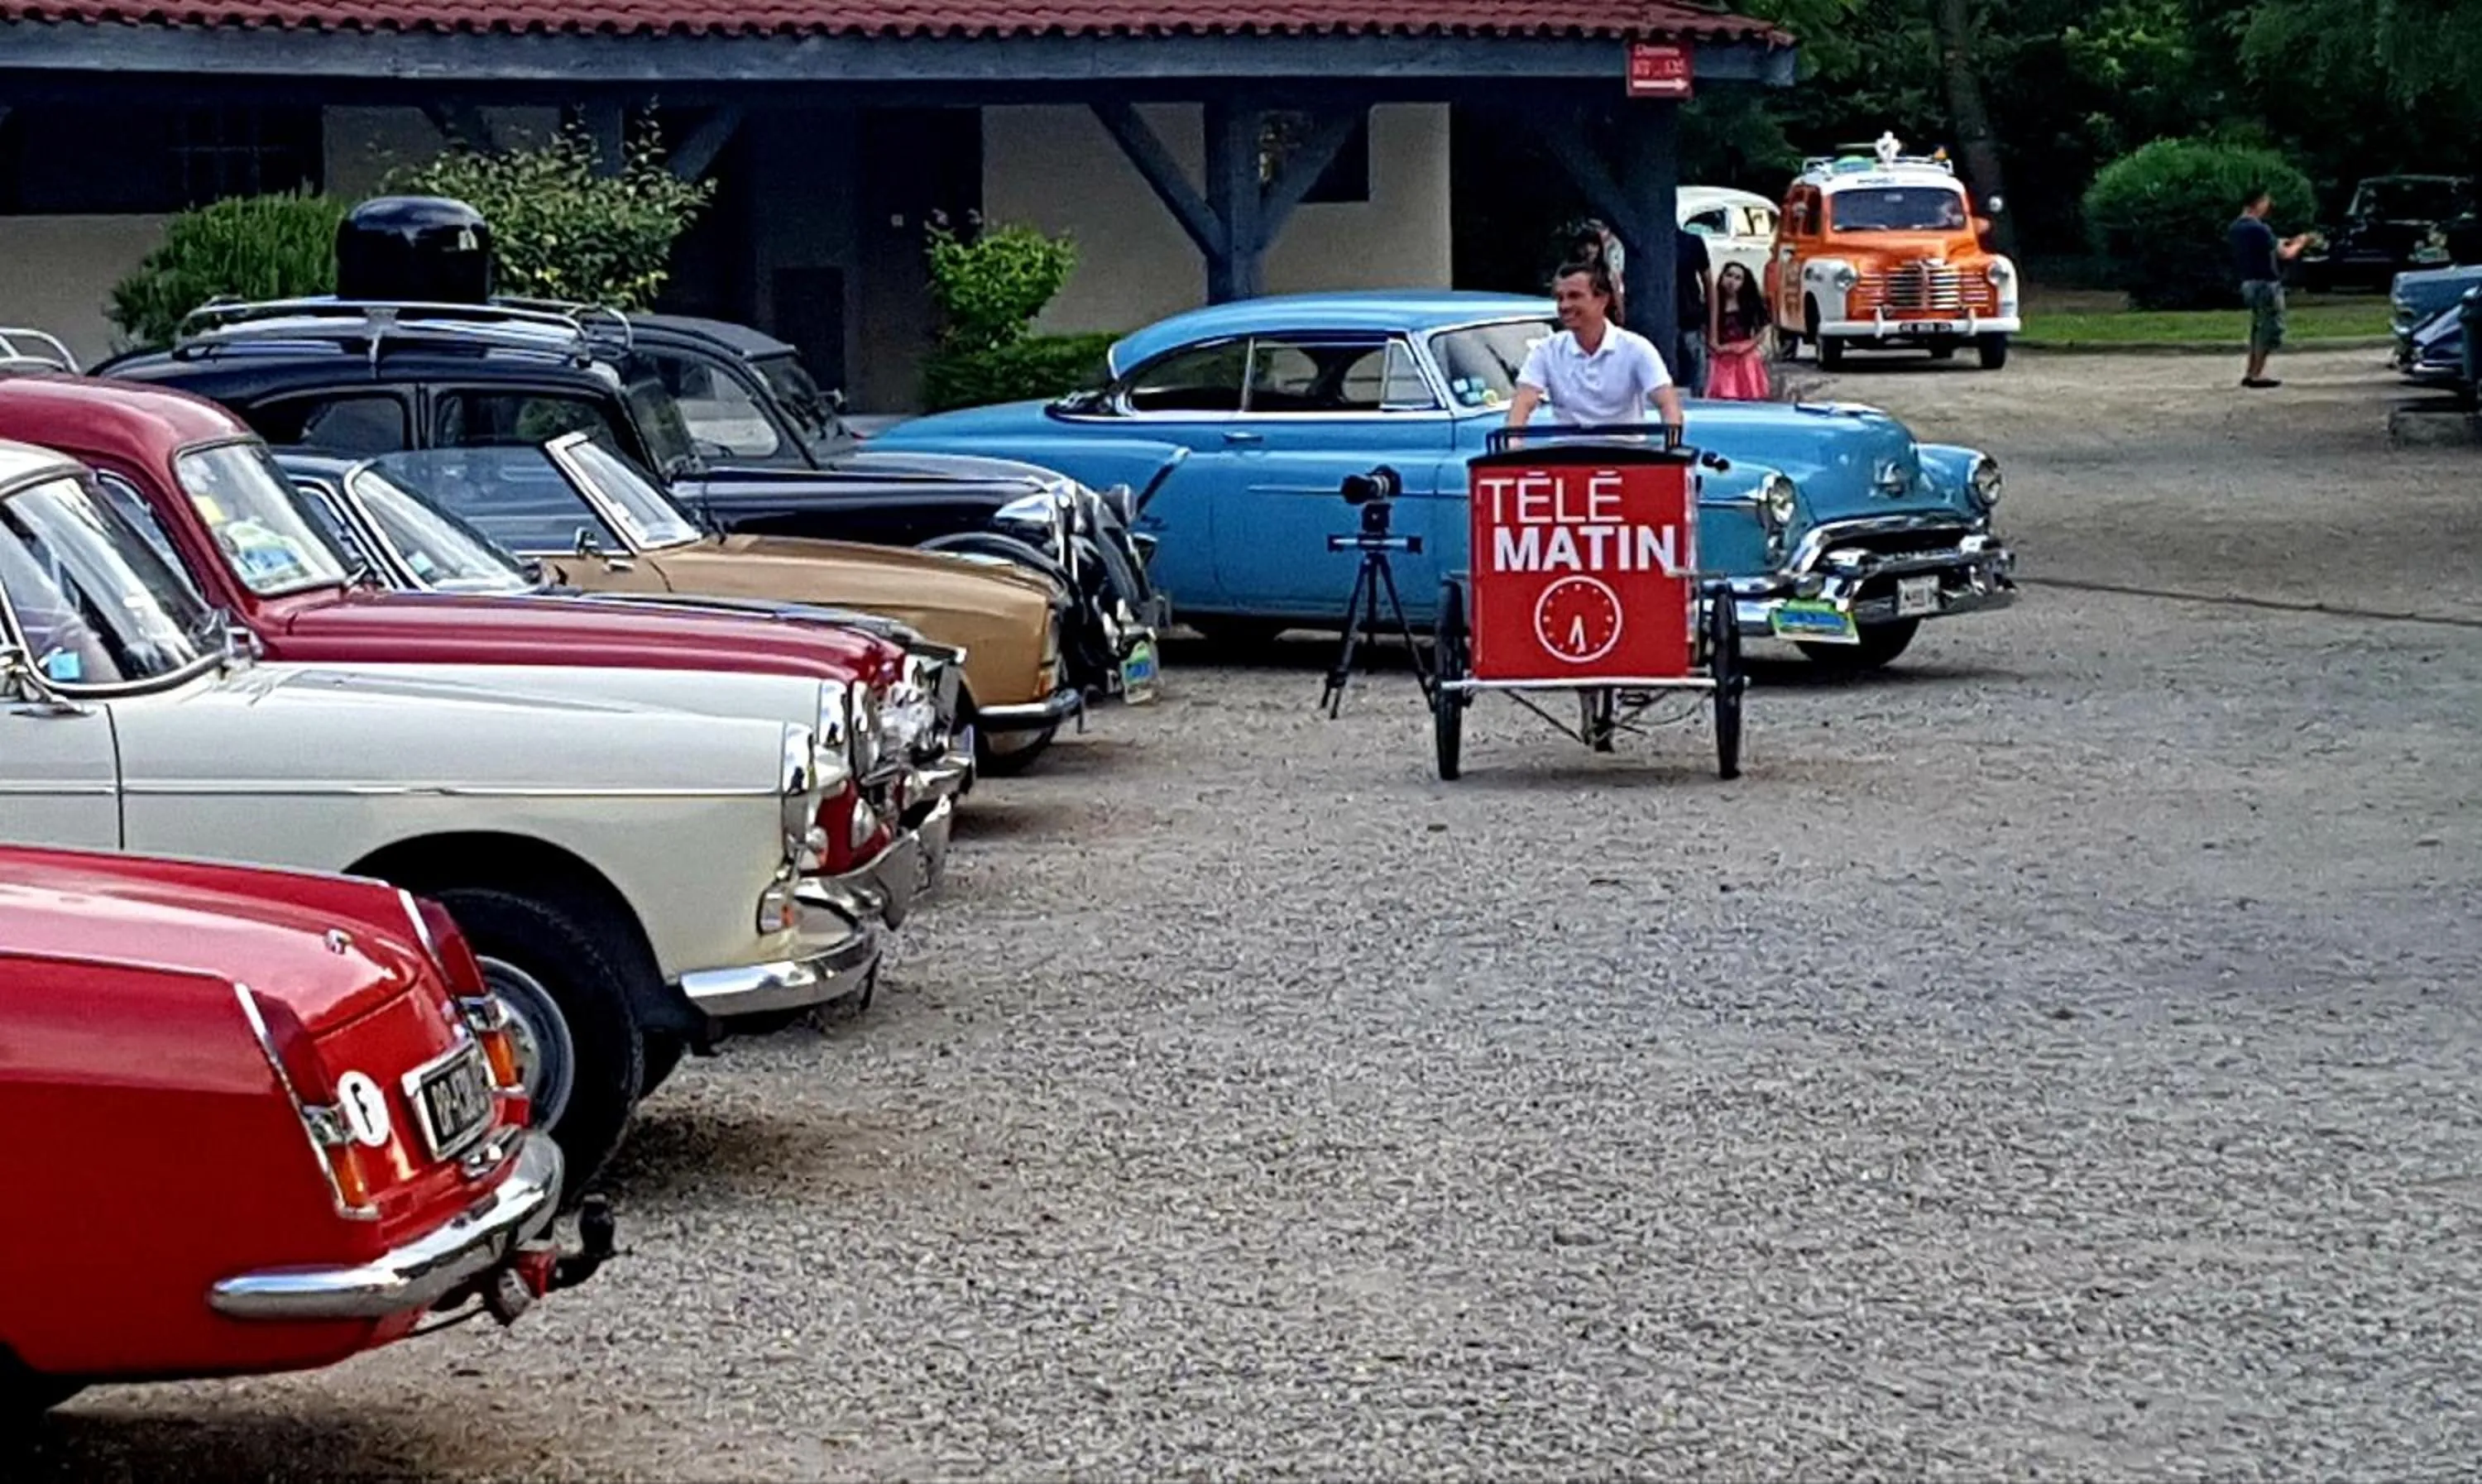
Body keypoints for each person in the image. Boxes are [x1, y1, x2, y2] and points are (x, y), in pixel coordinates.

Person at [1506, 261, 1685, 439]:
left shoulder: (1637, 348)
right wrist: (1512, 445)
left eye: (1574, 296)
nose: (1564, 306)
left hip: (1627, 457)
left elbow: (1667, 403)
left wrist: (1672, 447)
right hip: (1566, 459)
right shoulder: (1546, 350)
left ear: (1603, 300)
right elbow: (1523, 401)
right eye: (1560, 298)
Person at [2231, 187, 2311, 390]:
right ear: (2258, 203)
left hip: (2248, 281)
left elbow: (2268, 247)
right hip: (2266, 283)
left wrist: (2281, 242)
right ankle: (2258, 373)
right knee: (2269, 328)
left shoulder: (2236, 228)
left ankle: (2251, 371)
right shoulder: (2260, 228)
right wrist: (2300, 243)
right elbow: (2285, 254)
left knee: (2257, 327)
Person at [1705, 261, 1773, 401]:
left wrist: (1746, 346)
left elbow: (1763, 329)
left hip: (1744, 355)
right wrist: (1718, 347)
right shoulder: (1713, 303)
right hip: (1720, 356)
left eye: (1738, 278)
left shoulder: (1750, 304)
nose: (1732, 281)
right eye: (1729, 275)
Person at [1675, 225, 1713, 398]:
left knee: (1695, 379)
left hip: (1690, 318)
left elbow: (1709, 283)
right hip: (1659, 321)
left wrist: (1713, 327)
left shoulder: (1692, 242)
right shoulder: (1645, 242)